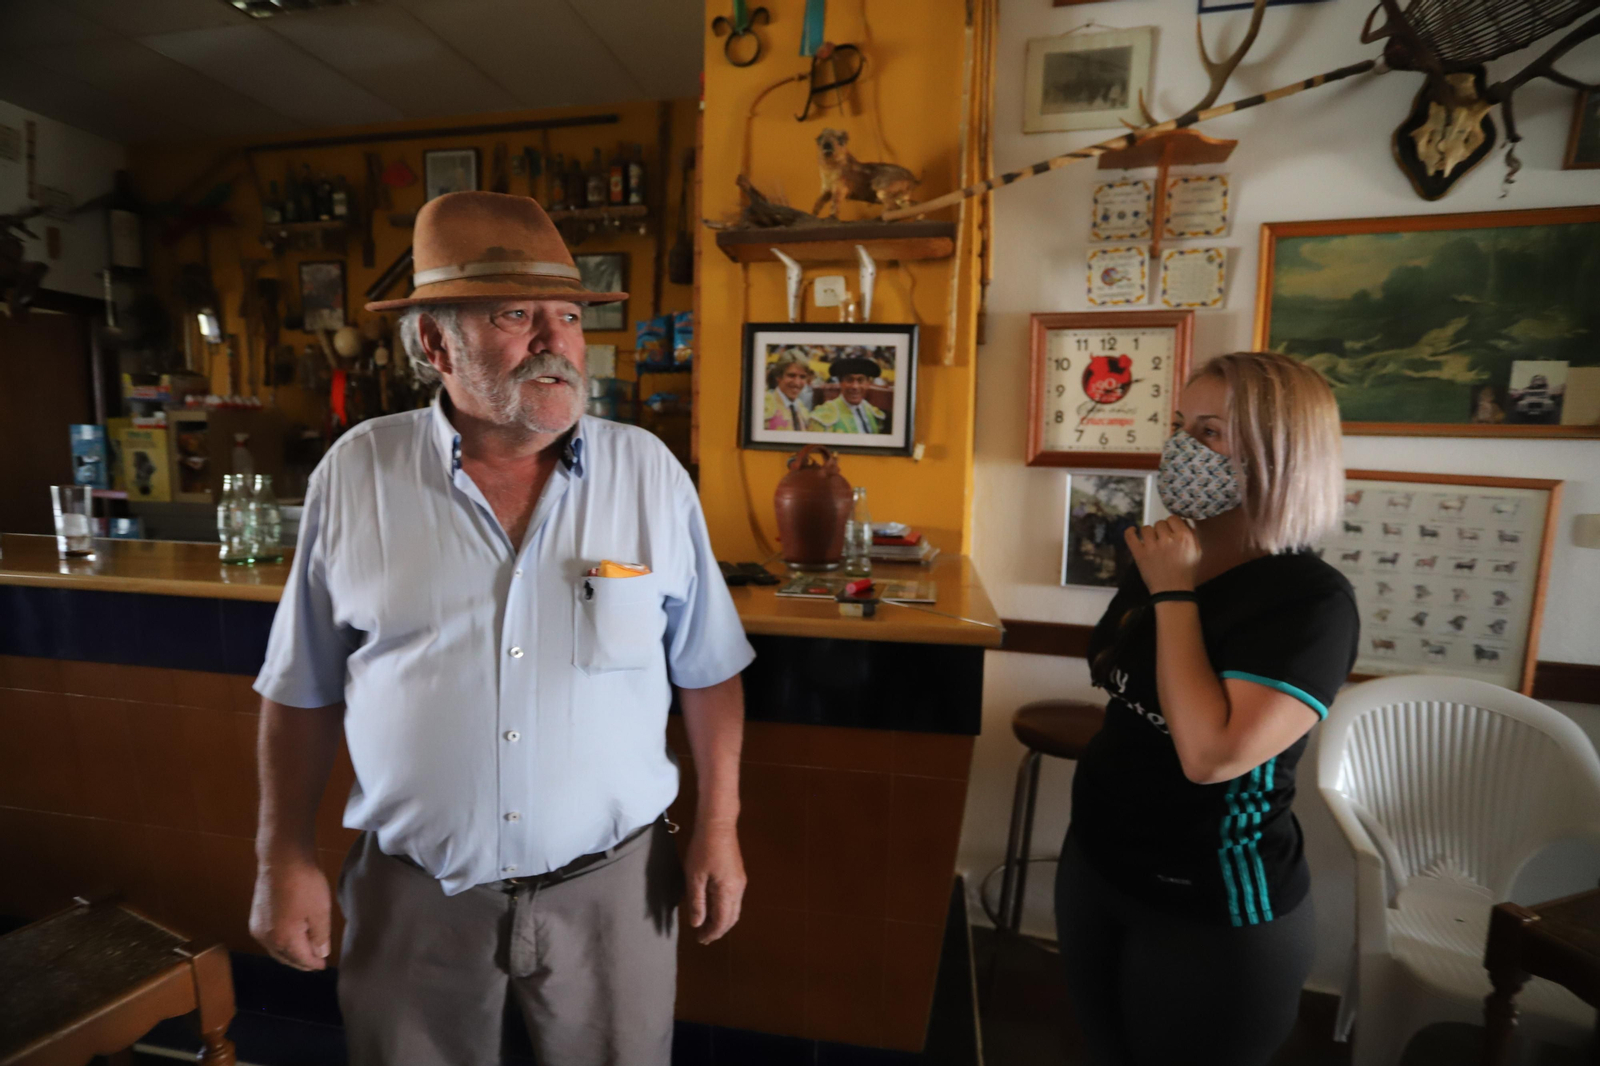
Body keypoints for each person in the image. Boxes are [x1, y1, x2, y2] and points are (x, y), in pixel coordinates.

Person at [249, 191, 755, 1066]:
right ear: (435, 344)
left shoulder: (648, 474)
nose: (556, 340)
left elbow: (708, 670)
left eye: (569, 316)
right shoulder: (357, 474)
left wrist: (720, 825)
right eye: (516, 316)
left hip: (613, 891)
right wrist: (281, 857)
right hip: (414, 895)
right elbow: (303, 687)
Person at [1055, 351, 1358, 1066]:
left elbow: (1211, 754)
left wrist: (1173, 595)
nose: (1180, 448)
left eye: (1210, 432)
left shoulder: (1309, 601)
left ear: (1279, 453)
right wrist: (1168, 580)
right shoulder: (1170, 551)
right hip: (1099, 860)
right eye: (1179, 425)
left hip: (1212, 902)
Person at [807, 356, 889, 434]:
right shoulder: (822, 416)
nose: (855, 386)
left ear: (868, 383)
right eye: (849, 380)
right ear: (840, 383)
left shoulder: (874, 414)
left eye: (860, 380)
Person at [764, 349, 815, 430]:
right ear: (779, 377)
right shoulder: (764, 405)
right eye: (791, 375)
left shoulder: (803, 410)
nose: (797, 383)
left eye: (802, 377)